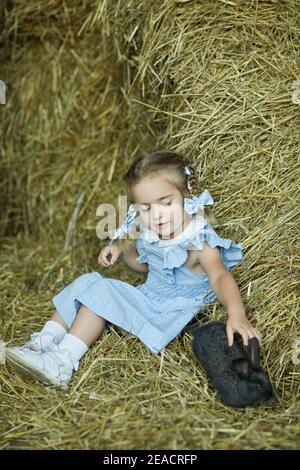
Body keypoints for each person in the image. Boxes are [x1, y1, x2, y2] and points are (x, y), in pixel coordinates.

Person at [5, 149, 262, 390]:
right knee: (89, 280)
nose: (157, 215)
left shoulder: (198, 240)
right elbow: (144, 267)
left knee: (104, 290)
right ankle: (40, 344)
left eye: (166, 202)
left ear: (188, 197)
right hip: (148, 299)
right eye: (146, 208)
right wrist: (121, 250)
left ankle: (62, 362)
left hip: (167, 314)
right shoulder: (154, 233)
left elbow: (219, 276)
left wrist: (236, 314)